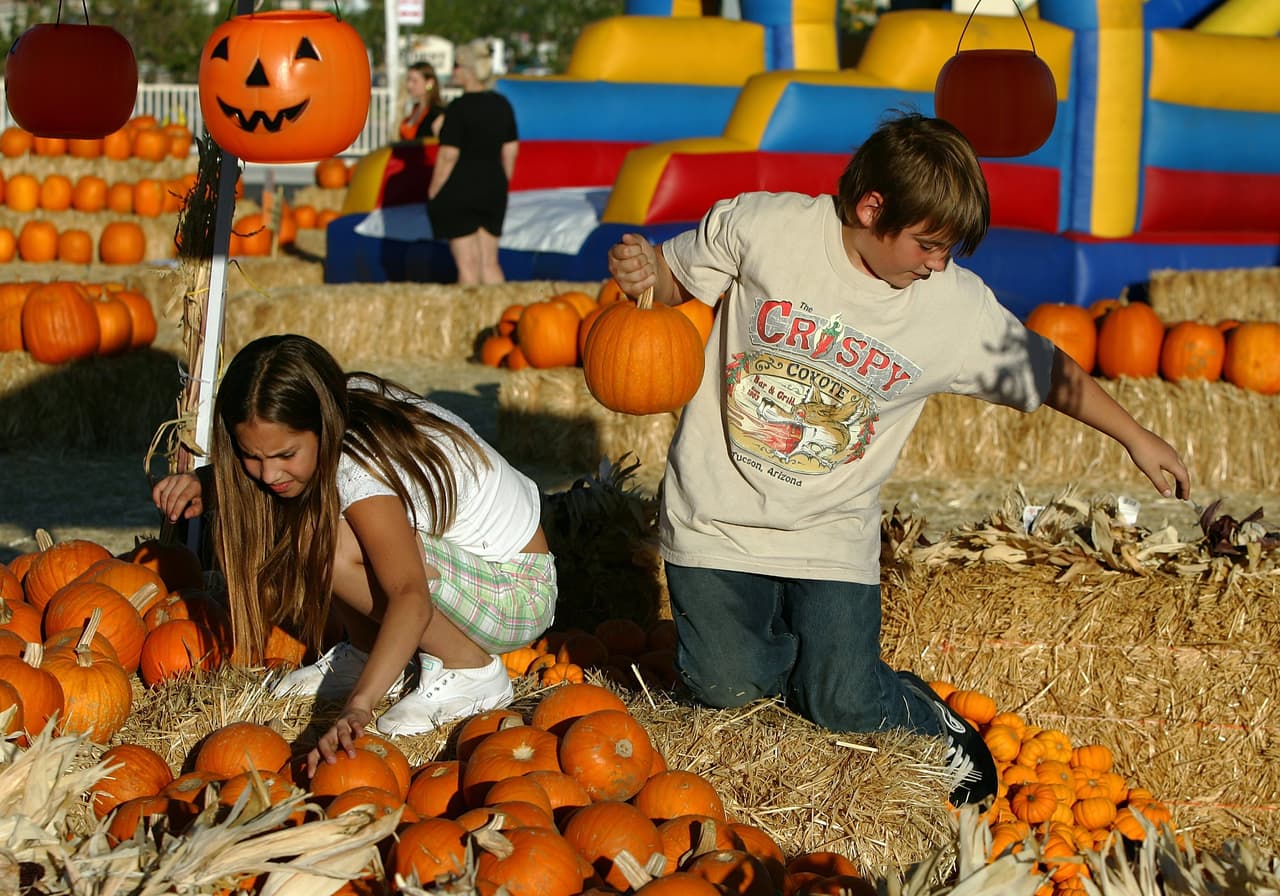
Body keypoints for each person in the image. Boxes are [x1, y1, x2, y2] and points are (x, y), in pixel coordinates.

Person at [606, 112, 1191, 807]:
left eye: (948, 250)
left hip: (830, 532)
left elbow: (1044, 370)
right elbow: (675, 280)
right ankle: (788, 671)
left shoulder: (955, 307)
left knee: (844, 702)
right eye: (928, 244)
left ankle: (928, 718)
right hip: (715, 518)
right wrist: (646, 273)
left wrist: (1134, 434)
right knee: (729, 694)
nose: (937, 263)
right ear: (870, 207)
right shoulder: (764, 227)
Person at [151, 334, 556, 772]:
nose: (268, 474)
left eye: (286, 454)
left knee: (328, 541)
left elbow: (409, 595)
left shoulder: (359, 470)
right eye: (251, 457)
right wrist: (209, 482)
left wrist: (359, 707)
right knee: (317, 524)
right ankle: (367, 651)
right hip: (469, 571)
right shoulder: (336, 406)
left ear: (321, 424)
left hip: (516, 592)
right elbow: (268, 459)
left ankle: (470, 670)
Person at [426, 38, 519, 285]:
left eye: (456, 65)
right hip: (493, 187)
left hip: (461, 188)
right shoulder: (502, 105)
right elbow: (510, 151)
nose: (453, 70)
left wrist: (434, 190)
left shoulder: (458, 108)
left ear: (467, 72)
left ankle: (471, 321)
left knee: (467, 266)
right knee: (489, 263)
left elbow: (448, 155)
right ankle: (498, 317)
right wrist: (503, 182)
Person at [398, 61, 446, 141]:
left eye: (414, 81)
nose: (409, 85)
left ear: (429, 83)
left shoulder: (436, 113)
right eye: (408, 80)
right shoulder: (415, 109)